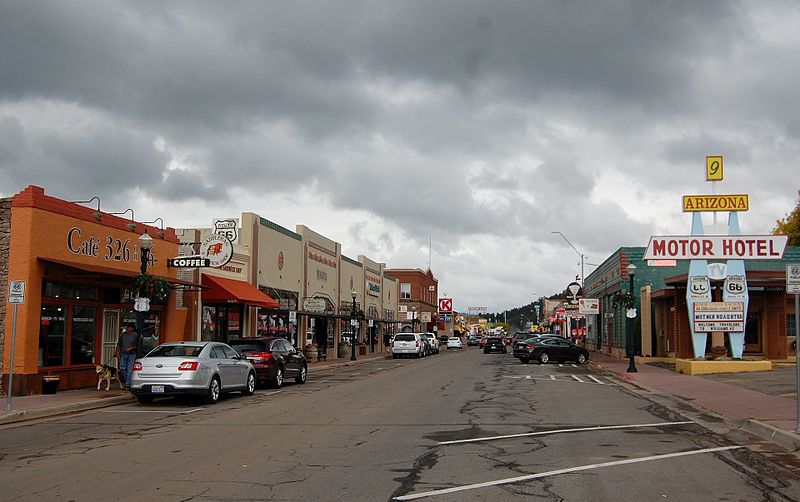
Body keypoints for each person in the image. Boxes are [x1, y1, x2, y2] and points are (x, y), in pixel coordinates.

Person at [115, 323, 140, 389]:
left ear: (132, 328)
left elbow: (138, 345)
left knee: (129, 369)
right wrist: (117, 351)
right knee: (121, 368)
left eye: (128, 327)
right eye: (127, 327)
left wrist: (131, 348)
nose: (127, 329)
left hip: (132, 354)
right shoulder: (123, 334)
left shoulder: (136, 335)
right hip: (124, 353)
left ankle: (128, 383)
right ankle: (128, 379)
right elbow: (119, 343)